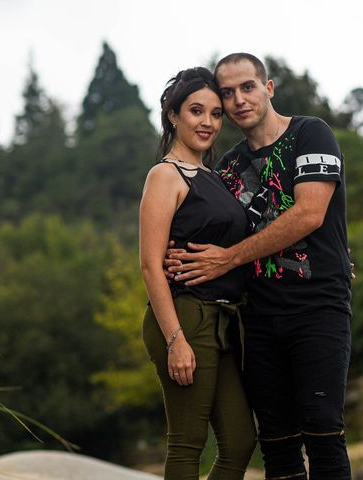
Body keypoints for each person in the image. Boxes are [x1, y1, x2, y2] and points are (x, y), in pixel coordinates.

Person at [166, 53, 353, 479]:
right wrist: (174, 255)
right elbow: (210, 227)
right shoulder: (227, 166)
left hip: (317, 308)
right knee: (277, 443)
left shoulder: (310, 133)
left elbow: (309, 214)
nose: (238, 100)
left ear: (268, 88)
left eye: (247, 87)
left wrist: (229, 258)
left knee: (323, 430)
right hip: (259, 318)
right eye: (226, 93)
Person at [140, 67, 256, 480]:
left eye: (215, 113)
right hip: (185, 317)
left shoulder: (216, 177)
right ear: (173, 115)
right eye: (195, 111)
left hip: (224, 320)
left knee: (240, 443)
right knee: (187, 445)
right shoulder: (164, 176)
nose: (207, 122)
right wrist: (175, 340)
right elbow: (152, 265)